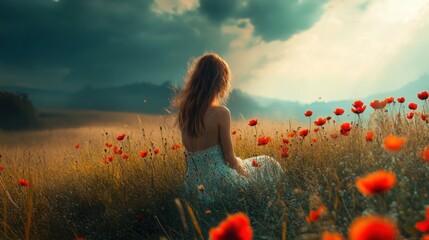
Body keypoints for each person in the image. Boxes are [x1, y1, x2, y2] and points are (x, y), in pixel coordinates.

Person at [172, 53, 282, 207]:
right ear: (220, 83)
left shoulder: (184, 113)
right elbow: (230, 159)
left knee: (261, 164)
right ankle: (277, 202)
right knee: (269, 164)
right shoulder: (220, 113)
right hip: (221, 181)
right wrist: (247, 176)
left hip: (193, 185)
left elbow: (188, 159)